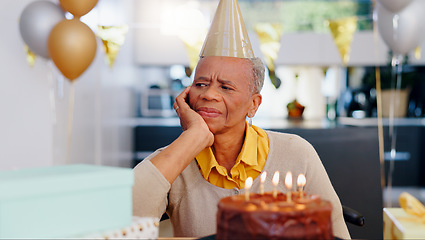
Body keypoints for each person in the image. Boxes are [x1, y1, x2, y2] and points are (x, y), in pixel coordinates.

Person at [132, 0, 350, 239]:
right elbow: (119, 220)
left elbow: (335, 232)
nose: (209, 94)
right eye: (201, 84)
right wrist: (193, 137)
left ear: (253, 104)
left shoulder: (296, 153)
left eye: (226, 87)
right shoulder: (173, 159)